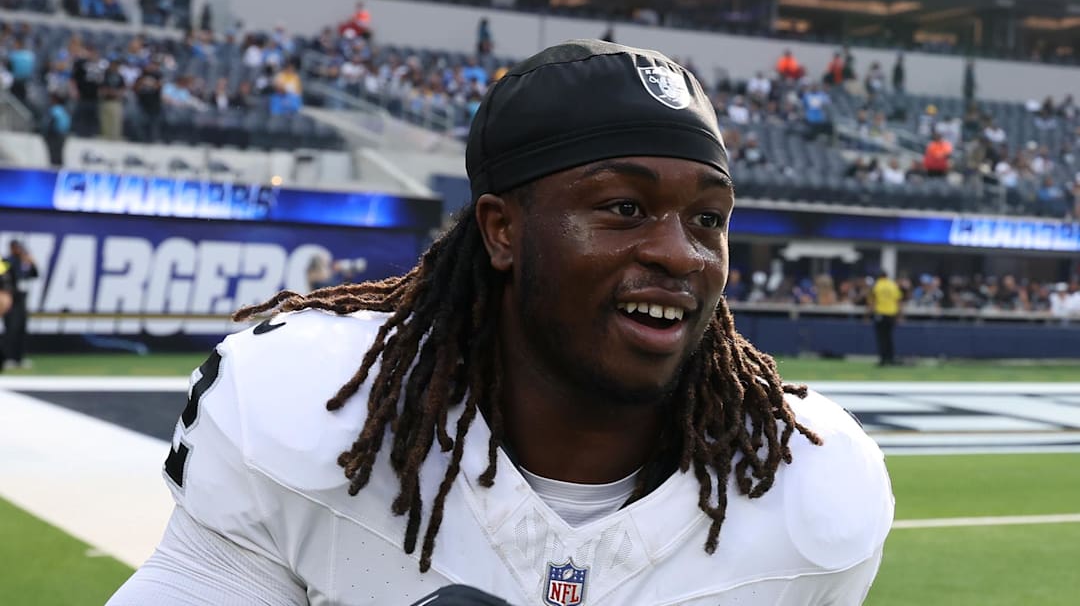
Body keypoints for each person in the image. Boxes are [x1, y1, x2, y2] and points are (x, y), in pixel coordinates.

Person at [107, 40, 893, 605]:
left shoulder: (812, 480)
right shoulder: (308, 411)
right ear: (502, 229)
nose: (679, 254)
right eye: (624, 208)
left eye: (708, 220)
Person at [2, 241, 39, 370]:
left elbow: (34, 274)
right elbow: (3, 277)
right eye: (16, 248)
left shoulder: (25, 261)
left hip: (22, 300)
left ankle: (19, 358)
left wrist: (31, 262)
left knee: (21, 329)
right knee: (11, 329)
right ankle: (7, 358)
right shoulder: (6, 261)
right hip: (10, 299)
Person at [867, 269, 901, 366]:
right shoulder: (893, 285)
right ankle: (891, 358)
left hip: (880, 314)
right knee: (889, 338)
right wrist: (899, 315)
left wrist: (867, 314)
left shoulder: (876, 285)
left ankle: (883, 360)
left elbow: (872, 302)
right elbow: (898, 301)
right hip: (891, 314)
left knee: (881, 338)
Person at [41, 93, 71, 167]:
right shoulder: (64, 110)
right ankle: (59, 168)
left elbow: (49, 123)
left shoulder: (54, 110)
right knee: (59, 155)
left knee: (54, 155)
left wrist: (45, 134)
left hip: (54, 136)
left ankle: (55, 171)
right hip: (63, 136)